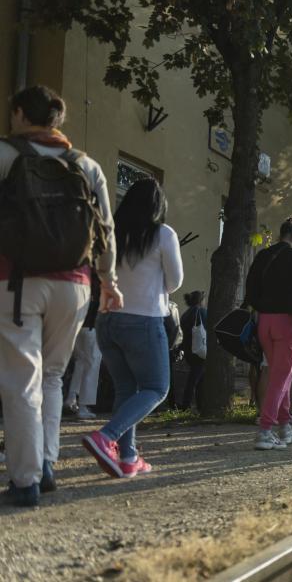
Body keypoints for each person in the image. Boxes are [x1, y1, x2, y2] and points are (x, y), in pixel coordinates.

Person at [1, 86, 122, 505]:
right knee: (52, 376)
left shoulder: (5, 156)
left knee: (21, 381)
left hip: (17, 283)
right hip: (75, 285)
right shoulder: (85, 165)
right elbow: (105, 230)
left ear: (19, 114)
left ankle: (25, 480)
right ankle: (46, 463)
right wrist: (110, 282)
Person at [82, 178, 182, 478]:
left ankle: (128, 457)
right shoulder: (162, 233)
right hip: (143, 320)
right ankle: (106, 437)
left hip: (107, 320)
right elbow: (175, 281)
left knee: (127, 389)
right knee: (156, 388)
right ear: (158, 206)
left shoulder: (112, 232)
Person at [243, 216, 292, 450]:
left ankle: (285, 426)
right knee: (281, 377)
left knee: (279, 373)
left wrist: (261, 307)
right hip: (289, 322)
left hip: (265, 321)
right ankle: (265, 431)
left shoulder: (263, 255)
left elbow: (251, 287)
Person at [65, 274, 102, 419]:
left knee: (81, 362)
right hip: (92, 326)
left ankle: (71, 397)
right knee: (93, 363)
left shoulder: (80, 277)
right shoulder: (99, 279)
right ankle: (84, 406)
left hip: (76, 325)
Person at [177, 290, 207, 411]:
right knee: (195, 378)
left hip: (189, 350)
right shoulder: (202, 312)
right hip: (200, 349)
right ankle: (186, 404)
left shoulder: (186, 314)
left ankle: (198, 405)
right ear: (201, 301)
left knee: (199, 378)